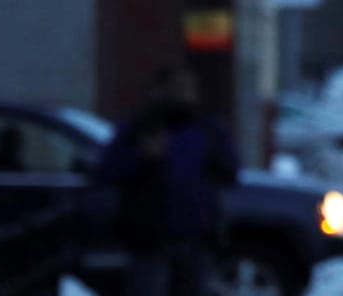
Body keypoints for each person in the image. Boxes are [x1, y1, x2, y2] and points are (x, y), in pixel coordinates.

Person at [97, 66, 239, 296]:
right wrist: (143, 157)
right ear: (161, 91)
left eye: (188, 88)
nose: (184, 95)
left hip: (196, 239)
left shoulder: (207, 129)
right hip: (150, 241)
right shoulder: (139, 128)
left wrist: (214, 159)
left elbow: (230, 172)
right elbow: (108, 172)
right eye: (177, 88)